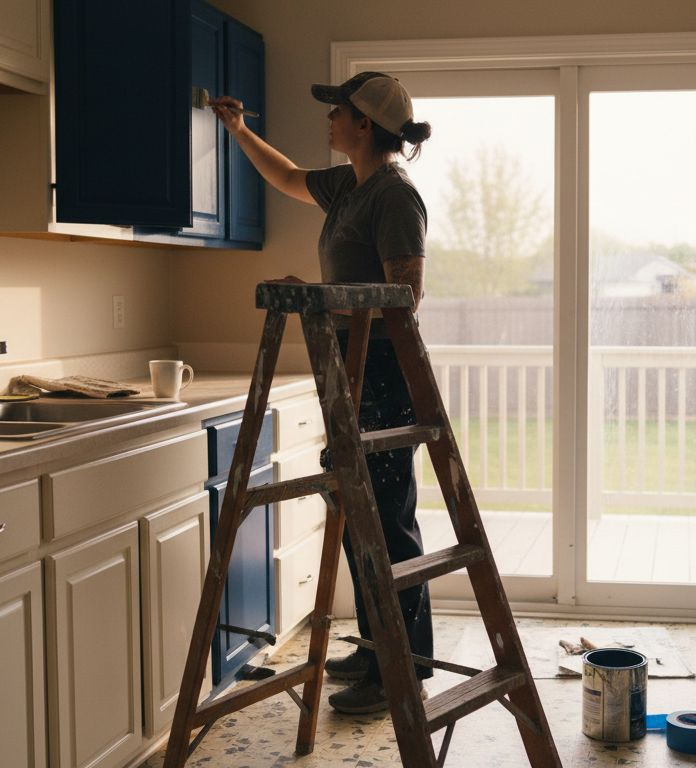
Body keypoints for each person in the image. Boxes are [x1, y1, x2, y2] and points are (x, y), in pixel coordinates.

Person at [210, 71, 434, 715]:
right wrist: (239, 131)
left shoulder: (394, 196)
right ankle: (376, 647)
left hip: (384, 371)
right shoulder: (348, 186)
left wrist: (316, 298)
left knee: (386, 524)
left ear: (364, 124)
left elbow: (404, 297)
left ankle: (402, 669)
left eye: (338, 110)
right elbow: (286, 177)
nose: (328, 119)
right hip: (349, 368)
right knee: (358, 515)